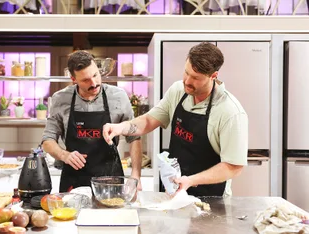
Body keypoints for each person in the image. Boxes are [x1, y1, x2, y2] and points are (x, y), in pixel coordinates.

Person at [102, 42, 248, 197]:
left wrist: (191, 180)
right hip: (173, 191)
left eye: (195, 78)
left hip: (211, 198)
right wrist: (121, 127)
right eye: (186, 72)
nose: (187, 81)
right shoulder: (178, 91)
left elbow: (234, 166)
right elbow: (149, 120)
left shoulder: (230, 112)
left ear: (213, 76)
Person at [42, 50, 143, 193]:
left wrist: (136, 174)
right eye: (85, 80)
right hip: (74, 178)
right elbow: (47, 140)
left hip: (110, 178)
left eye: (95, 75)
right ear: (73, 79)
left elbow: (134, 135)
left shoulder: (118, 96)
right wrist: (64, 155)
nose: (94, 83)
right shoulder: (60, 99)